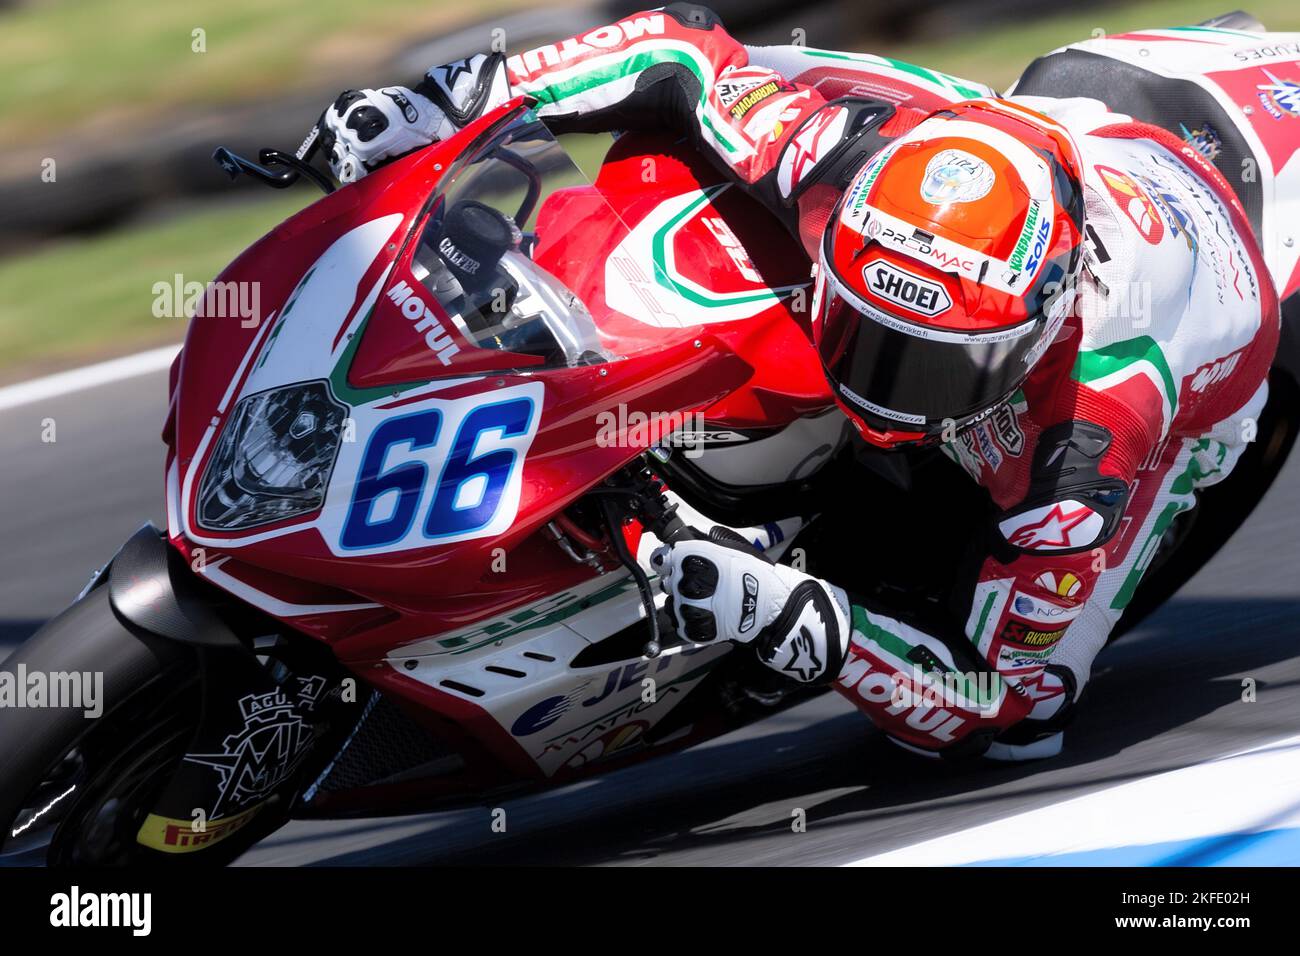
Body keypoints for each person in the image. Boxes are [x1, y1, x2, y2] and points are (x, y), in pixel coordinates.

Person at [317, 4, 1280, 760]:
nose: (888, 386)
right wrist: (446, 104)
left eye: (939, 361)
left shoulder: (1095, 437)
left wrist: (797, 619)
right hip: (1065, 118)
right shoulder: (832, 152)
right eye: (867, 329)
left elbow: (1013, 710)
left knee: (1002, 651)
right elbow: (676, 47)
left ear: (1038, 325)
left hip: (1193, 353)